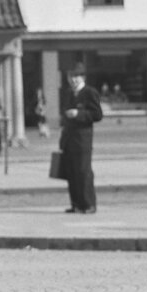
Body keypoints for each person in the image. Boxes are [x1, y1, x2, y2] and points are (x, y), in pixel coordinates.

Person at [60, 64, 102, 214]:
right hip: (69, 139)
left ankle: (89, 204)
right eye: (70, 77)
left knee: (84, 172)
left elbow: (97, 115)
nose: (73, 80)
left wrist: (79, 114)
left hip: (83, 139)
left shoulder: (90, 92)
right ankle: (76, 204)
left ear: (82, 77)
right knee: (71, 173)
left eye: (76, 77)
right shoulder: (68, 93)